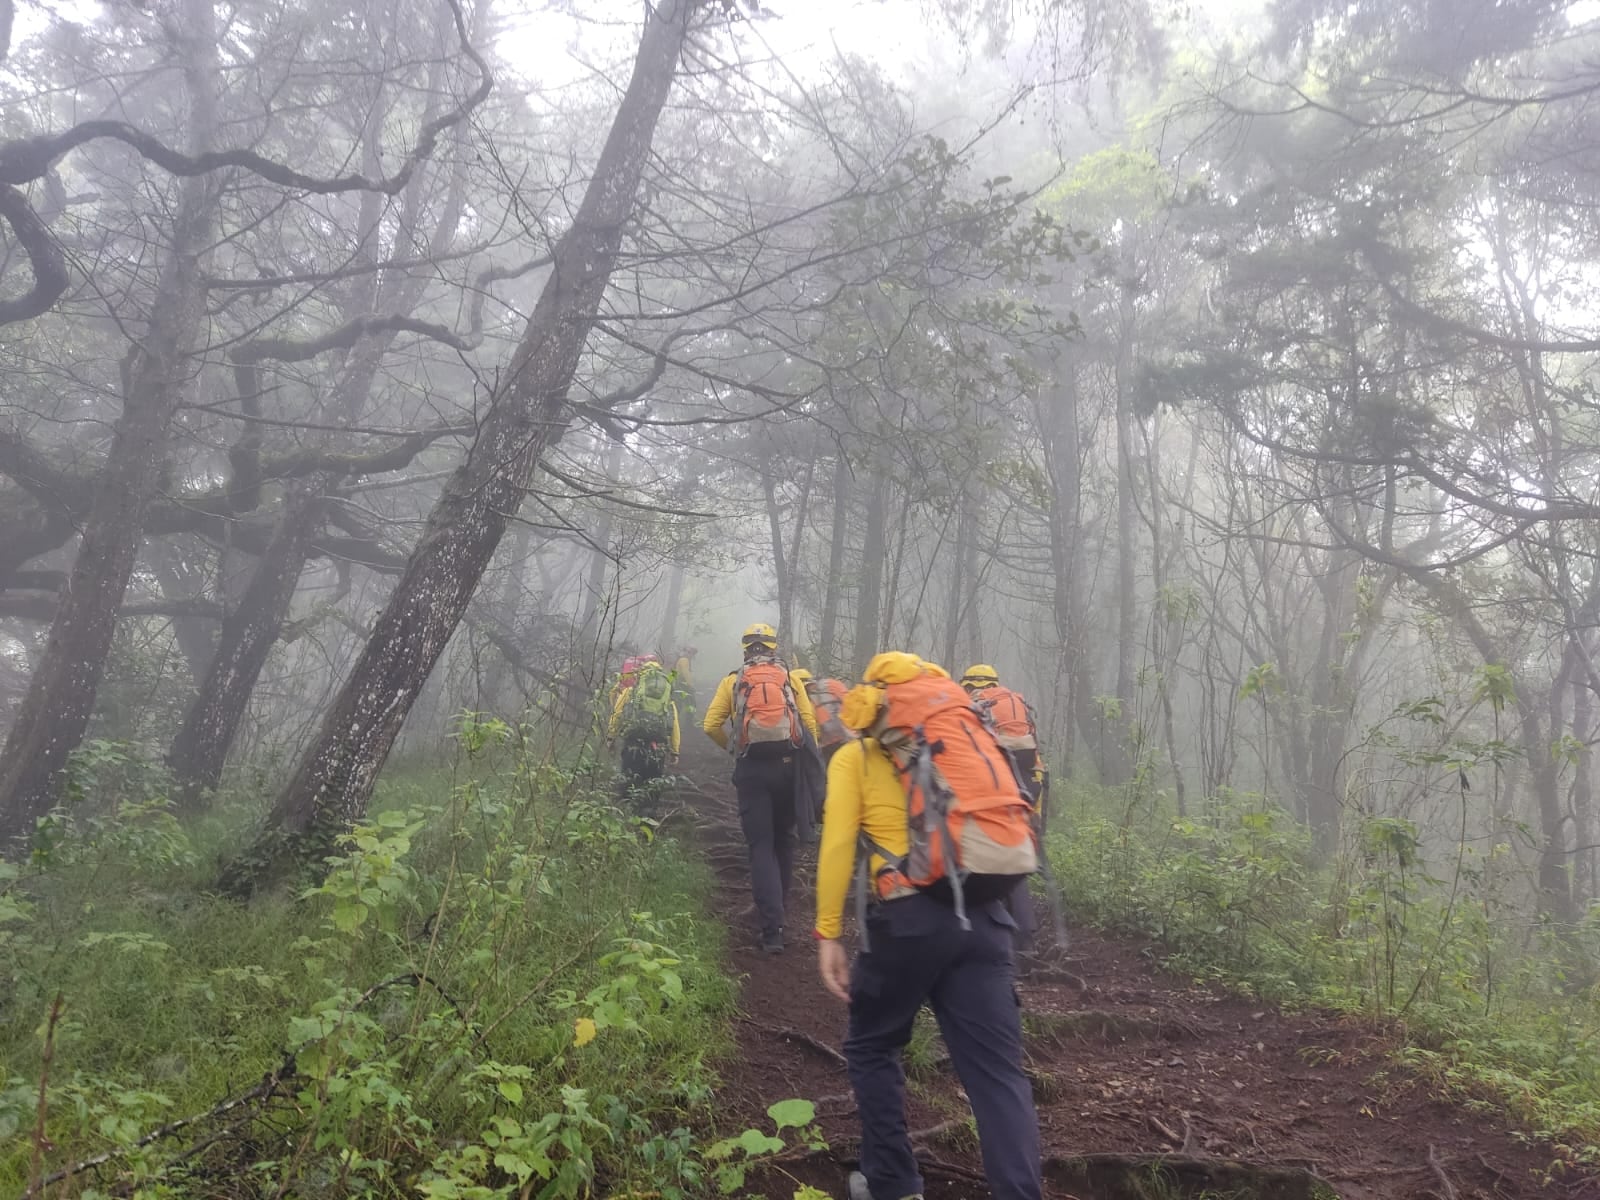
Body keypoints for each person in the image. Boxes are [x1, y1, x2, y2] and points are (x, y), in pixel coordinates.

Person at [815, 652, 1043, 1200]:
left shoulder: (855, 757)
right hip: (986, 916)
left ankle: (894, 1184)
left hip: (905, 919)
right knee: (997, 1074)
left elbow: (839, 846)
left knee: (873, 1044)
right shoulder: (973, 743)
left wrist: (827, 933)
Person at [702, 622, 819, 954]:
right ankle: (782, 915)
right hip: (788, 768)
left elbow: (710, 725)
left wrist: (734, 748)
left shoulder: (733, 680)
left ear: (745, 648)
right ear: (772, 647)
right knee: (784, 841)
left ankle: (772, 931)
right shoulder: (791, 677)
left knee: (761, 847)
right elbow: (808, 723)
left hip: (752, 771)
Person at [961, 664, 1045, 955]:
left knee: (991, 855)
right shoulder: (1017, 705)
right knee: (1015, 856)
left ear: (969, 685)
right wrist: (1036, 812)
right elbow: (1036, 759)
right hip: (1031, 785)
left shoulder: (974, 706)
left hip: (998, 787)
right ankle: (1025, 938)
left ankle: (999, 937)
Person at [608, 659, 679, 799]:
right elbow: (674, 722)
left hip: (633, 742)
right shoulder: (667, 696)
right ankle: (648, 815)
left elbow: (616, 714)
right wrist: (675, 751)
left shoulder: (631, 691)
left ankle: (626, 813)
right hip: (657, 745)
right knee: (652, 784)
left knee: (629, 781)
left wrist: (611, 738)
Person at [793, 669, 858, 765]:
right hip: (849, 737)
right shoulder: (832, 685)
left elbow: (810, 723)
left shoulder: (805, 700)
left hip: (827, 745)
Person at [672, 645, 699, 719]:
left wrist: (671, 682)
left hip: (677, 684)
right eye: (692, 653)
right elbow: (685, 672)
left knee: (678, 704)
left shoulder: (679, 659)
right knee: (691, 702)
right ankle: (689, 721)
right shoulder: (684, 660)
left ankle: (675, 720)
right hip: (683, 685)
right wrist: (690, 685)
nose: (692, 656)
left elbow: (674, 672)